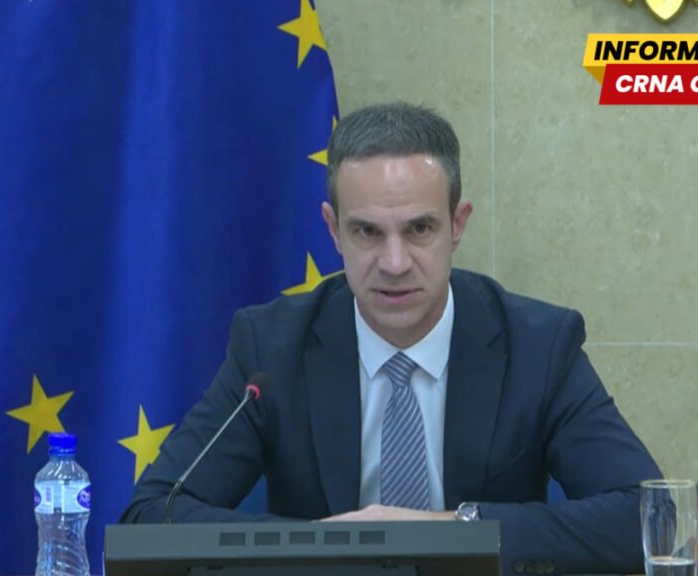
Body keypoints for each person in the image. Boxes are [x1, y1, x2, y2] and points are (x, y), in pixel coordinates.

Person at [121, 102, 662, 575]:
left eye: (419, 229)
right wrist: (324, 547)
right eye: (367, 232)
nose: (395, 263)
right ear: (333, 230)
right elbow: (152, 515)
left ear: (458, 223)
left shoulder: (538, 347)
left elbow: (649, 516)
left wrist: (454, 529)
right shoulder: (272, 347)